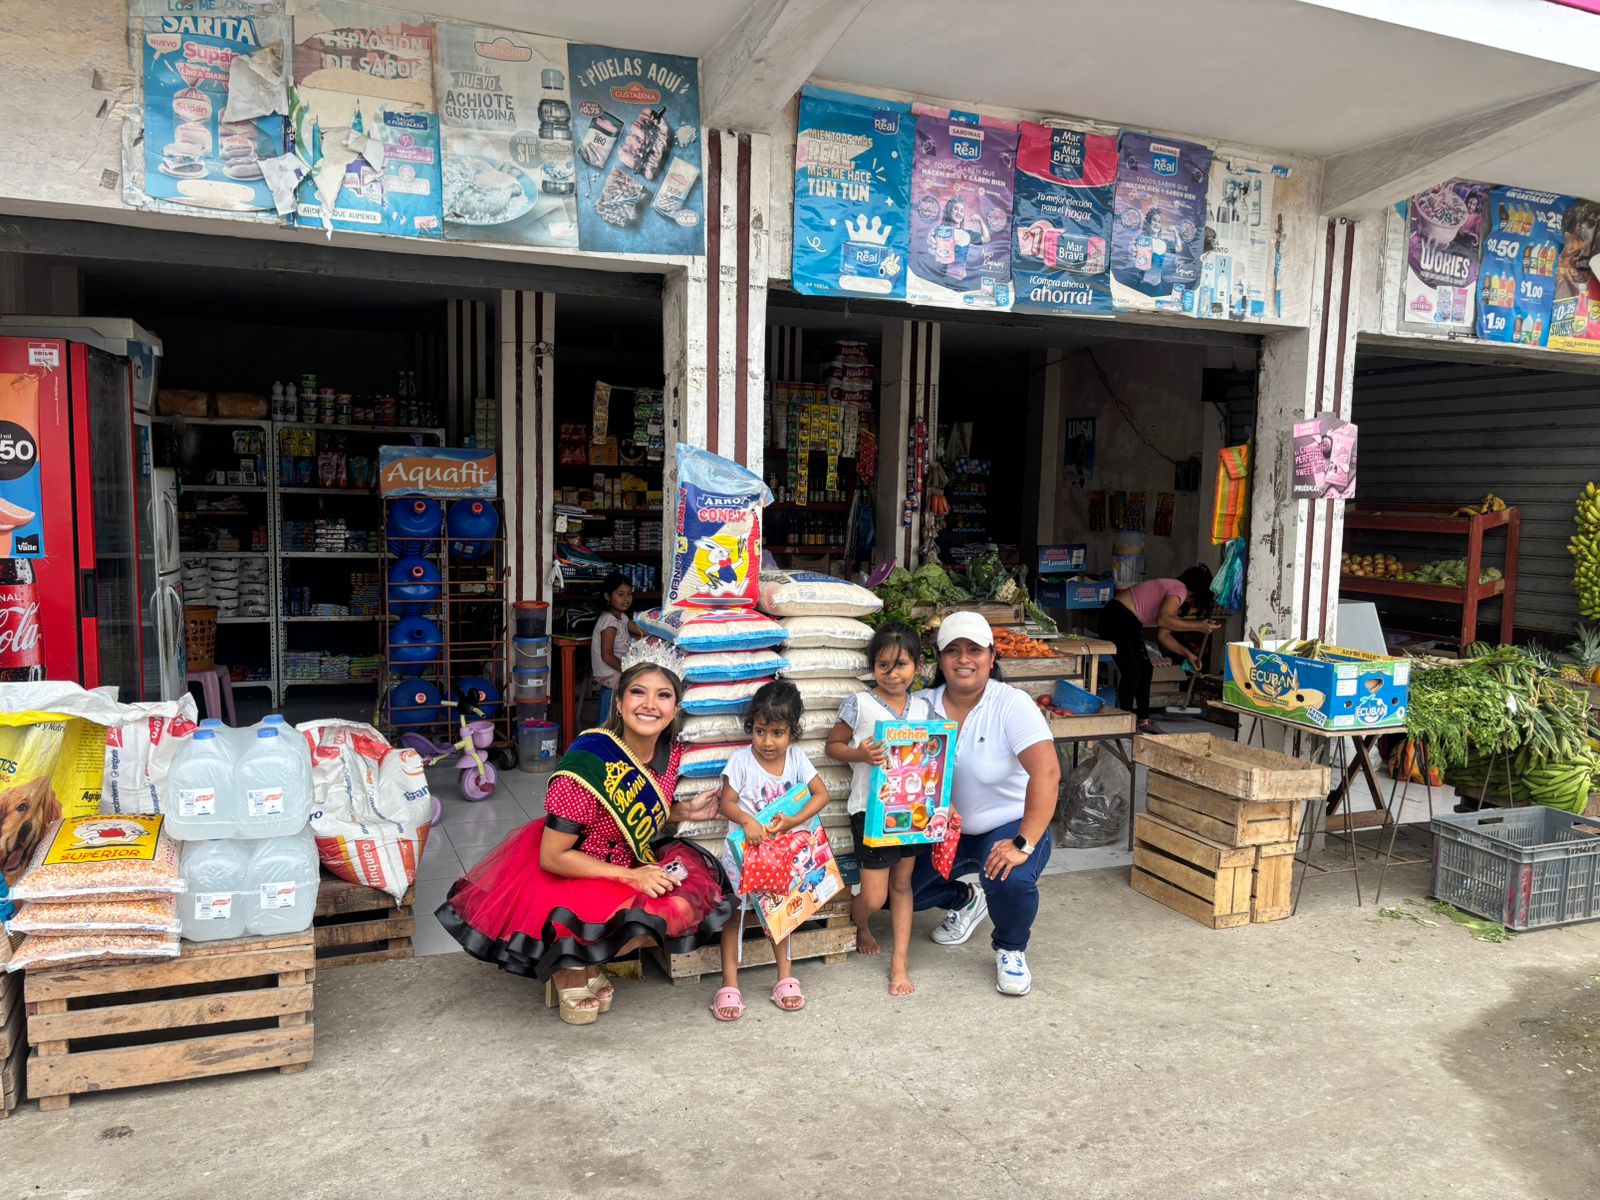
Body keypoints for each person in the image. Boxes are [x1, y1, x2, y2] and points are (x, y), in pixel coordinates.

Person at [435, 644, 734, 1025]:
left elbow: (634, 816)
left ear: (675, 709)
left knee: (681, 909)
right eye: (638, 692)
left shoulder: (671, 754)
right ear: (619, 702)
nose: (650, 705)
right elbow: (553, 857)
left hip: (624, 857)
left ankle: (586, 960)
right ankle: (569, 967)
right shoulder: (589, 758)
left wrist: (684, 812)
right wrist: (631, 877)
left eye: (663, 695)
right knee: (599, 913)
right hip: (572, 864)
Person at [909, 613, 1060, 997]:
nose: (964, 659)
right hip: (943, 830)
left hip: (1006, 824)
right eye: (953, 650)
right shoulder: (919, 706)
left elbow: (1046, 773)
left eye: (974, 650)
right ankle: (965, 900)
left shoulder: (1011, 704)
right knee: (894, 891)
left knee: (1010, 876)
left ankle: (1011, 948)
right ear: (939, 659)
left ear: (992, 657)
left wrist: (1023, 842)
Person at [825, 622, 934, 997]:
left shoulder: (925, 708)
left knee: (902, 884)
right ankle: (861, 921)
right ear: (873, 667)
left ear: (917, 666)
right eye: (883, 665)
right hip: (870, 812)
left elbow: (935, 761)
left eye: (901, 664)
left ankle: (899, 963)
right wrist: (860, 754)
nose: (892, 673)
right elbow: (833, 746)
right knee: (874, 896)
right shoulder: (861, 704)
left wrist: (944, 804)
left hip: (913, 813)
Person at [712, 680, 830, 1021]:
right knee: (734, 916)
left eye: (777, 733)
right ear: (751, 727)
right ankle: (729, 985)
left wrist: (794, 820)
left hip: (782, 857)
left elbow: (821, 795)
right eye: (760, 731)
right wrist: (746, 820)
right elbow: (726, 802)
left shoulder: (797, 759)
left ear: (793, 732)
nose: (767, 741)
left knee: (781, 915)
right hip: (743, 857)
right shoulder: (740, 761)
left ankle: (785, 978)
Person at [1097, 566, 1221, 731]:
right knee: (1132, 672)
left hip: (1129, 620)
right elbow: (1163, 620)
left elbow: (1164, 636)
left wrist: (1188, 655)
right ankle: (1123, 722)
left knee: (1145, 669)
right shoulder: (1178, 588)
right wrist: (1199, 626)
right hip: (1116, 616)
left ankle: (1143, 720)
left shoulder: (1175, 595)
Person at [589, 573, 643, 721]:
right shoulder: (609, 622)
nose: (626, 599)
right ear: (607, 596)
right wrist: (629, 672)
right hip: (610, 673)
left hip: (616, 670)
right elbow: (607, 656)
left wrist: (658, 629)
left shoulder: (621, 617)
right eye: (620, 594)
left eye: (629, 594)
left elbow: (641, 631)